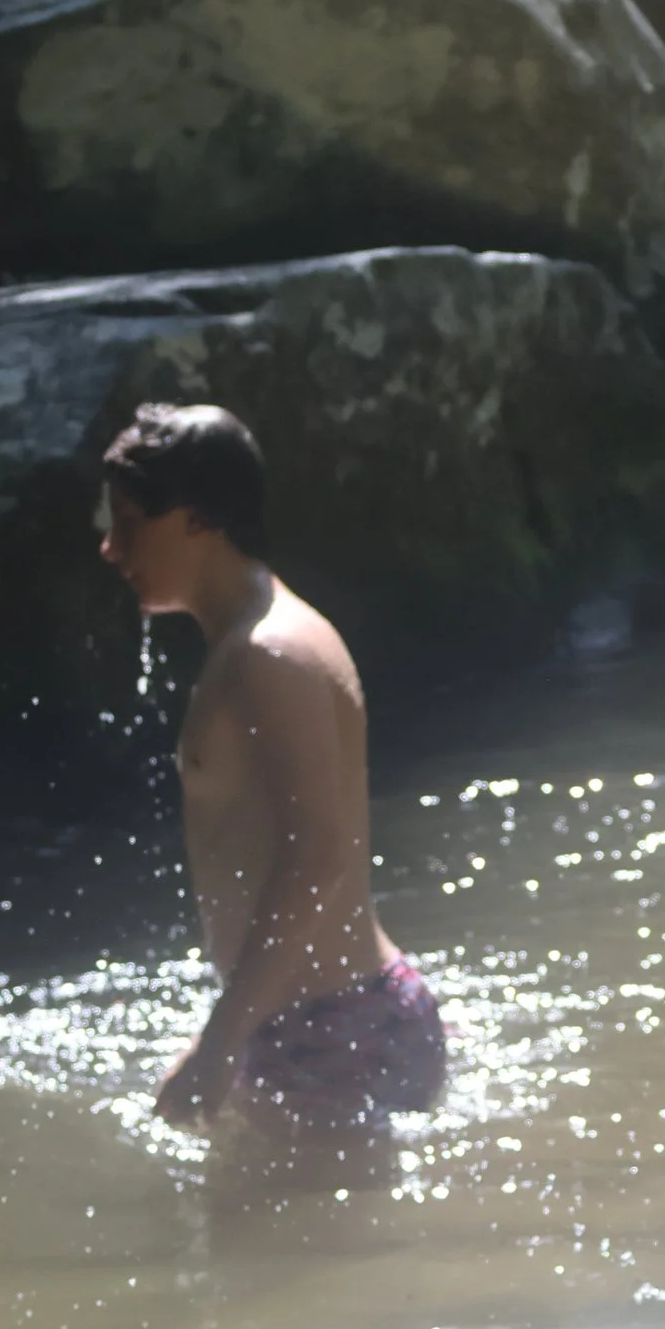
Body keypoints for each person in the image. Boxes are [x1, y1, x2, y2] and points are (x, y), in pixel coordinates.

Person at [94, 401, 449, 1127]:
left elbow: (318, 854)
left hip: (334, 1028)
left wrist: (222, 1039)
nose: (110, 547)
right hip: (325, 1018)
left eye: (129, 521)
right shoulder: (254, 645)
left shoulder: (268, 655)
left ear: (196, 518)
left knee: (271, 1242)